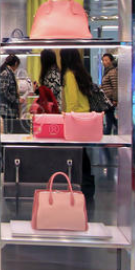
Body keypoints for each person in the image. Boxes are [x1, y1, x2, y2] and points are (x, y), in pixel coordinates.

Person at [60, 49, 95, 202]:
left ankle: (79, 184)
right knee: (83, 153)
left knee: (75, 154)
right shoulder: (81, 73)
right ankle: (87, 185)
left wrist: (66, 117)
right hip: (86, 117)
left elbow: (72, 102)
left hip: (75, 119)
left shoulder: (69, 74)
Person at [0, 54, 22, 121]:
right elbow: (4, 91)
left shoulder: (8, 72)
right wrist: (15, 100)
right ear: (16, 63)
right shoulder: (6, 73)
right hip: (7, 109)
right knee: (9, 126)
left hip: (9, 109)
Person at [100, 53, 118, 135]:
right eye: (103, 60)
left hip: (110, 98)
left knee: (109, 116)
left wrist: (115, 99)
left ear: (111, 61)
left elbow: (115, 86)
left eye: (106, 60)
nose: (104, 62)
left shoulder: (112, 71)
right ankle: (116, 128)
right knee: (110, 116)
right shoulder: (107, 71)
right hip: (107, 98)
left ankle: (108, 132)